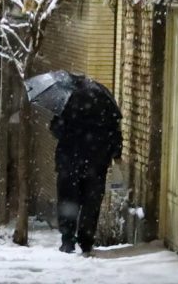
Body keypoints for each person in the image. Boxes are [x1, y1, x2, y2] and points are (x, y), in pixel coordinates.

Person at [49, 80, 122, 255]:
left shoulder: (67, 103)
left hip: (69, 163)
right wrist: (114, 154)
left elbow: (57, 130)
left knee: (68, 201)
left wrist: (57, 126)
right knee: (91, 204)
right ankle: (86, 240)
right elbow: (115, 136)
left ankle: (67, 240)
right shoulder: (106, 107)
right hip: (96, 165)